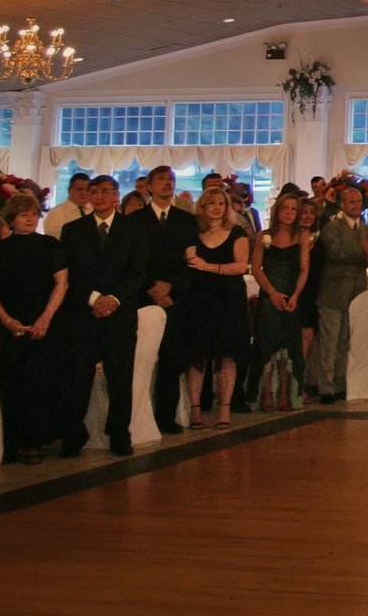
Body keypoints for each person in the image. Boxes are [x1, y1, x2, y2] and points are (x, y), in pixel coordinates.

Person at [59, 175, 148, 458]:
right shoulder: (73, 230)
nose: (98, 197)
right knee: (78, 377)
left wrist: (113, 299)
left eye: (105, 192)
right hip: (84, 313)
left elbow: (138, 271)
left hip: (120, 313)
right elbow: (70, 272)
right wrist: (94, 299)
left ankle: (120, 434)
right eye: (93, 191)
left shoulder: (133, 228)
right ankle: (73, 435)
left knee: (120, 377)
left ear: (116, 196)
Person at [0, 191, 68, 464]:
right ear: (11, 219)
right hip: (10, 319)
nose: (30, 219)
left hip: (44, 317)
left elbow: (61, 283)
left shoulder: (50, 245)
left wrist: (45, 318)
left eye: (33, 215)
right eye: (23, 215)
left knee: (40, 382)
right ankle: (11, 441)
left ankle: (35, 442)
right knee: (11, 381)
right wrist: (7, 321)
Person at [127, 167, 201, 435]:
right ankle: (136, 413)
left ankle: (166, 415)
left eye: (170, 180)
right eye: (161, 180)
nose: (167, 184)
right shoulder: (135, 220)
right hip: (143, 295)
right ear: (148, 186)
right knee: (142, 356)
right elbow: (131, 260)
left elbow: (191, 260)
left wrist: (171, 288)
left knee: (171, 357)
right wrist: (151, 287)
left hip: (175, 297)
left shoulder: (186, 219)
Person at [175, 191, 250, 427]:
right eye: (211, 204)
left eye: (221, 204)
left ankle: (224, 408)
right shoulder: (193, 233)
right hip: (199, 298)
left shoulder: (237, 232)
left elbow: (240, 267)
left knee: (227, 354)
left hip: (228, 298)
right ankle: (195, 408)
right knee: (197, 354)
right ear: (202, 207)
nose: (217, 208)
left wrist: (207, 266)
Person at [306, 185, 368, 403]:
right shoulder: (331, 227)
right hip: (333, 292)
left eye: (359, 202)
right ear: (343, 205)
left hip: (357, 290)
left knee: (345, 340)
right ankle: (325, 386)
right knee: (329, 342)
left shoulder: (366, 228)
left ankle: (340, 383)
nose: (356, 206)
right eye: (351, 202)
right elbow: (336, 253)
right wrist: (364, 251)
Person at [250, 194, 311, 411]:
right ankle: (266, 392)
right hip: (270, 295)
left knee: (289, 346)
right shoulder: (263, 236)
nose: (288, 212)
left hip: (292, 297)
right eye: (285, 208)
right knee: (268, 345)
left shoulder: (302, 237)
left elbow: (304, 269)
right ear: (277, 211)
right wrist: (272, 293)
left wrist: (295, 295)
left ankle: (285, 391)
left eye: (293, 209)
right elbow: (256, 268)